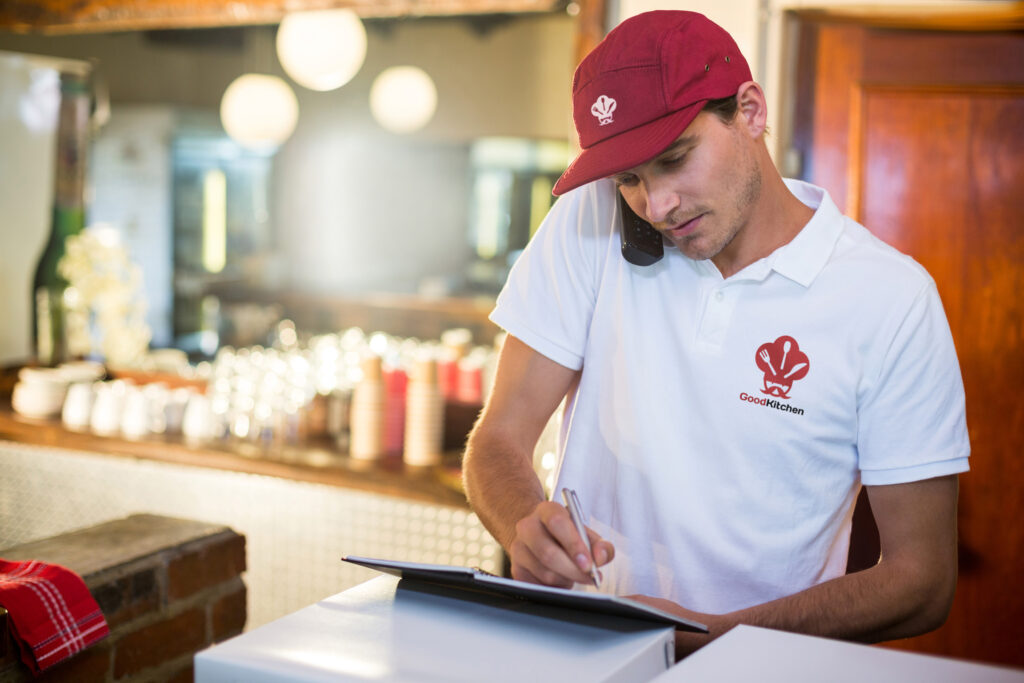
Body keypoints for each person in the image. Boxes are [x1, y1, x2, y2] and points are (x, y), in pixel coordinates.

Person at [461, 10, 970, 657]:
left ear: (750, 111)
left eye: (674, 160)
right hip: (576, 656)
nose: (657, 204)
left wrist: (711, 636)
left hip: (761, 668)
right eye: (630, 178)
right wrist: (522, 523)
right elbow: (498, 436)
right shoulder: (586, 221)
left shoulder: (891, 299)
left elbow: (923, 581)